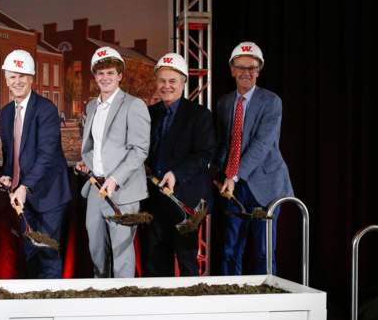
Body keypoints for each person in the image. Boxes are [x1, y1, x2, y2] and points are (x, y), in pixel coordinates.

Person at [214, 42, 293, 274]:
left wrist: (234, 175)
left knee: (262, 252)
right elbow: (224, 143)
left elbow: (262, 144)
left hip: (265, 186)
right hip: (232, 186)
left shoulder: (271, 102)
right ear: (232, 70)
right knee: (230, 250)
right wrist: (217, 173)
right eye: (241, 67)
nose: (246, 72)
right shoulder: (224, 103)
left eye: (252, 68)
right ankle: (232, 305)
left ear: (259, 71)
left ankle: (267, 305)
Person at [0, 49, 71, 279]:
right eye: (12, 77)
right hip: (21, 196)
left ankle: (51, 308)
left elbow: (46, 155)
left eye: (22, 76)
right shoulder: (7, 112)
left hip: (49, 195)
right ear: (6, 80)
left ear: (32, 78)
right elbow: (11, 153)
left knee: (47, 254)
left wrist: (25, 186)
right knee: (28, 252)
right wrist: (7, 176)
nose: (17, 81)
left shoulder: (46, 109)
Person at [76, 46, 150, 278]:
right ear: (94, 76)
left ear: (120, 75)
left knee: (122, 254)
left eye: (110, 73)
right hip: (96, 189)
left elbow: (139, 150)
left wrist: (115, 179)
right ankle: (102, 300)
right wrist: (86, 162)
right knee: (96, 250)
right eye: (100, 73)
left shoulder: (133, 105)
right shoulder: (91, 106)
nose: (105, 78)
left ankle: (123, 303)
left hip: (123, 192)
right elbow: (94, 147)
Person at [143, 53, 215, 276]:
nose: (166, 86)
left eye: (172, 81)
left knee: (186, 261)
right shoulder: (148, 113)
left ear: (184, 82)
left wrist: (176, 173)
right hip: (154, 201)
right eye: (162, 81)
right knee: (155, 262)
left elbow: (205, 155)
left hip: (186, 201)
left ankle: (191, 309)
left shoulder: (200, 115)